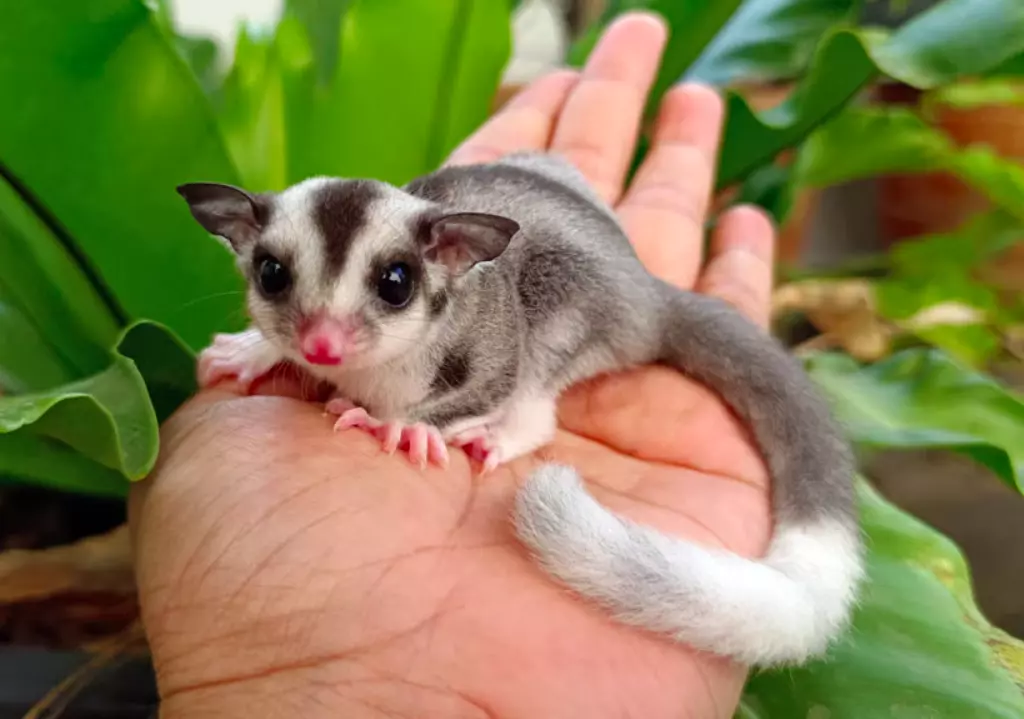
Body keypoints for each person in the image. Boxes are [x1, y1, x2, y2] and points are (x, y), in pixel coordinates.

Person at [129, 11, 778, 718]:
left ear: (449, 255)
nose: (320, 345)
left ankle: (531, 421)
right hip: (529, 207)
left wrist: (416, 414)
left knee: (537, 321)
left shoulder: (461, 293)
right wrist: (267, 343)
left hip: (600, 296)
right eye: (279, 281)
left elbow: (491, 371)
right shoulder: (351, 291)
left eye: (391, 286)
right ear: (240, 237)